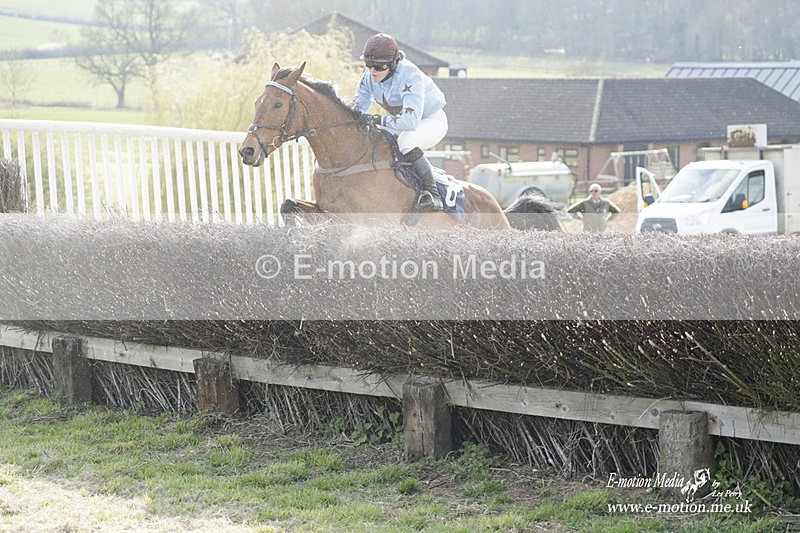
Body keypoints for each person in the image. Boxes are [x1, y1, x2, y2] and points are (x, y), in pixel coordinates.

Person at [353, 33, 447, 211]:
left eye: (378, 66)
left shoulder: (410, 75)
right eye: (368, 64)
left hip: (431, 121)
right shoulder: (368, 77)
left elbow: (410, 122)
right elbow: (357, 109)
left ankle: (432, 194)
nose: (372, 70)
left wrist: (377, 119)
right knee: (374, 137)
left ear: (393, 64)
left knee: (406, 140)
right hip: (405, 123)